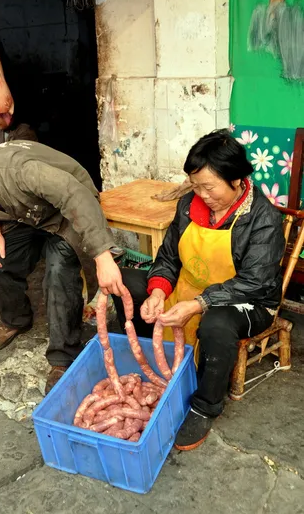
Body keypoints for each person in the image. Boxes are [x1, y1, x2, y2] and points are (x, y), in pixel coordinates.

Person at [112, 129, 285, 451]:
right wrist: (159, 291)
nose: (202, 195)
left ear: (236, 180)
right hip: (191, 285)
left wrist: (200, 303)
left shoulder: (263, 218)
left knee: (216, 323)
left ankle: (204, 405)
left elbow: (255, 281)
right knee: (126, 284)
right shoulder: (190, 205)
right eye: (195, 186)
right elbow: (168, 256)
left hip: (248, 300)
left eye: (209, 187)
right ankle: (151, 363)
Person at [0, 141, 125, 393]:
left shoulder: (20, 171)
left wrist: (102, 255)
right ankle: (15, 320)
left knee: (59, 268)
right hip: (26, 215)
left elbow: (74, 195)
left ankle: (62, 357)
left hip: (70, 206)